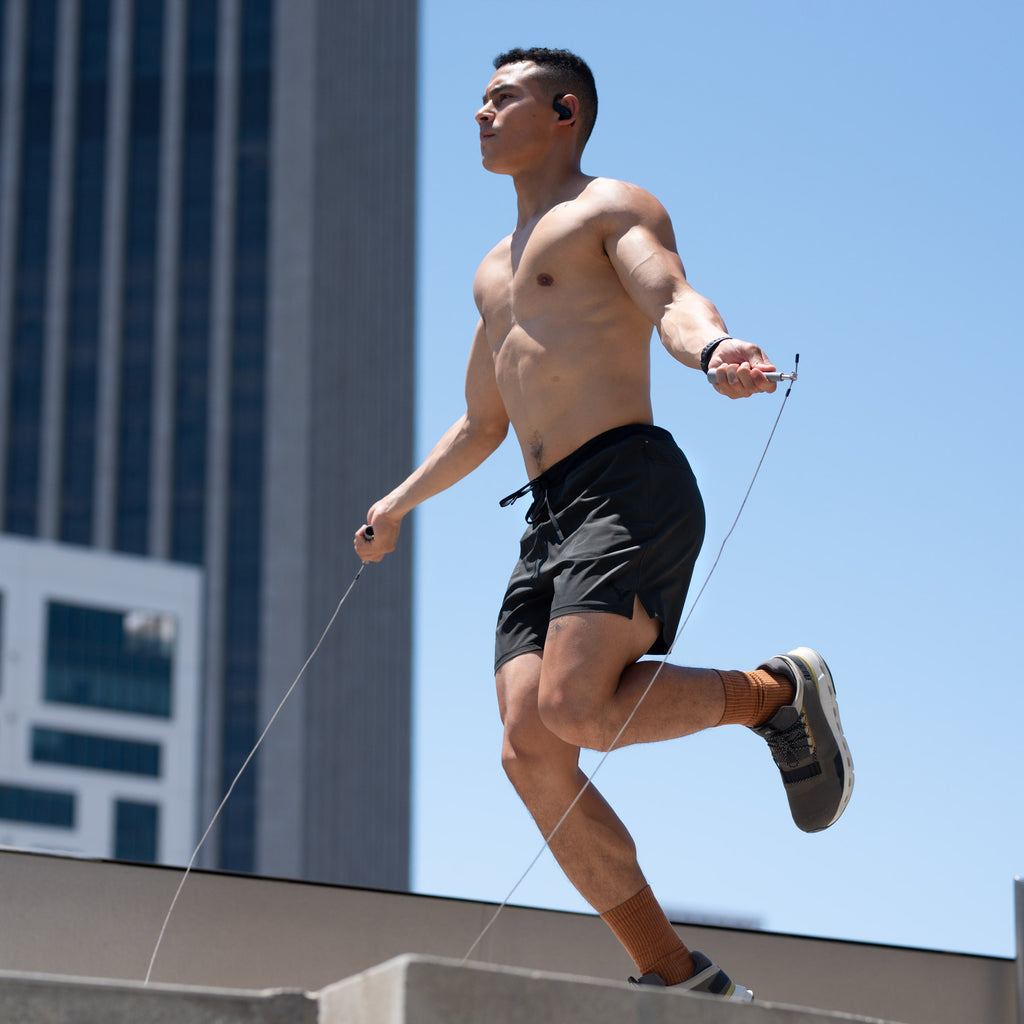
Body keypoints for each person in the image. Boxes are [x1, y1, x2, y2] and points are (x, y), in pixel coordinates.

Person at [355, 47, 853, 1002]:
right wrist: (397, 504)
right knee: (528, 748)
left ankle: (773, 694)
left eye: (504, 98)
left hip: (628, 482)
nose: (481, 113)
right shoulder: (492, 273)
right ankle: (679, 975)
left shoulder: (611, 208)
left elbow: (667, 293)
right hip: (545, 517)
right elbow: (482, 423)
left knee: (576, 708)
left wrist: (714, 352)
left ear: (566, 110)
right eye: (481, 99)